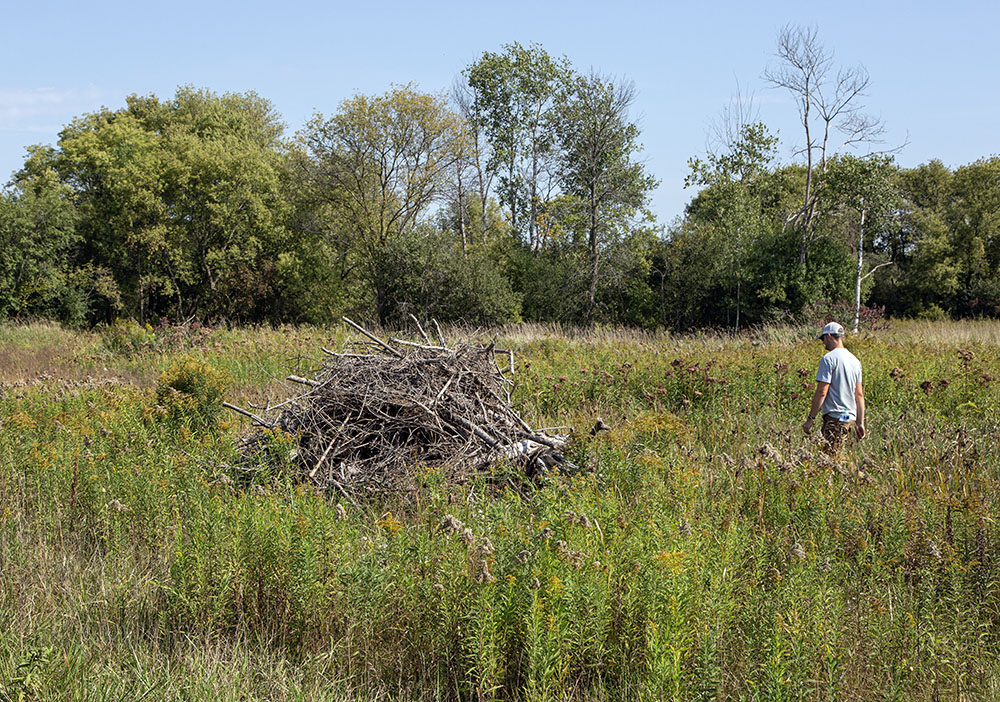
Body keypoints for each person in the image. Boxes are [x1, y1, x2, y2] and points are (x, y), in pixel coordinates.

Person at [802, 322, 865, 454]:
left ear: (829, 336)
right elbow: (859, 395)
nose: (823, 343)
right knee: (842, 457)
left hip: (835, 417)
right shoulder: (855, 361)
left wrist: (810, 419)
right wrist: (860, 423)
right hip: (849, 418)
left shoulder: (828, 359)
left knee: (831, 459)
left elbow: (822, 391)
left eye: (823, 339)